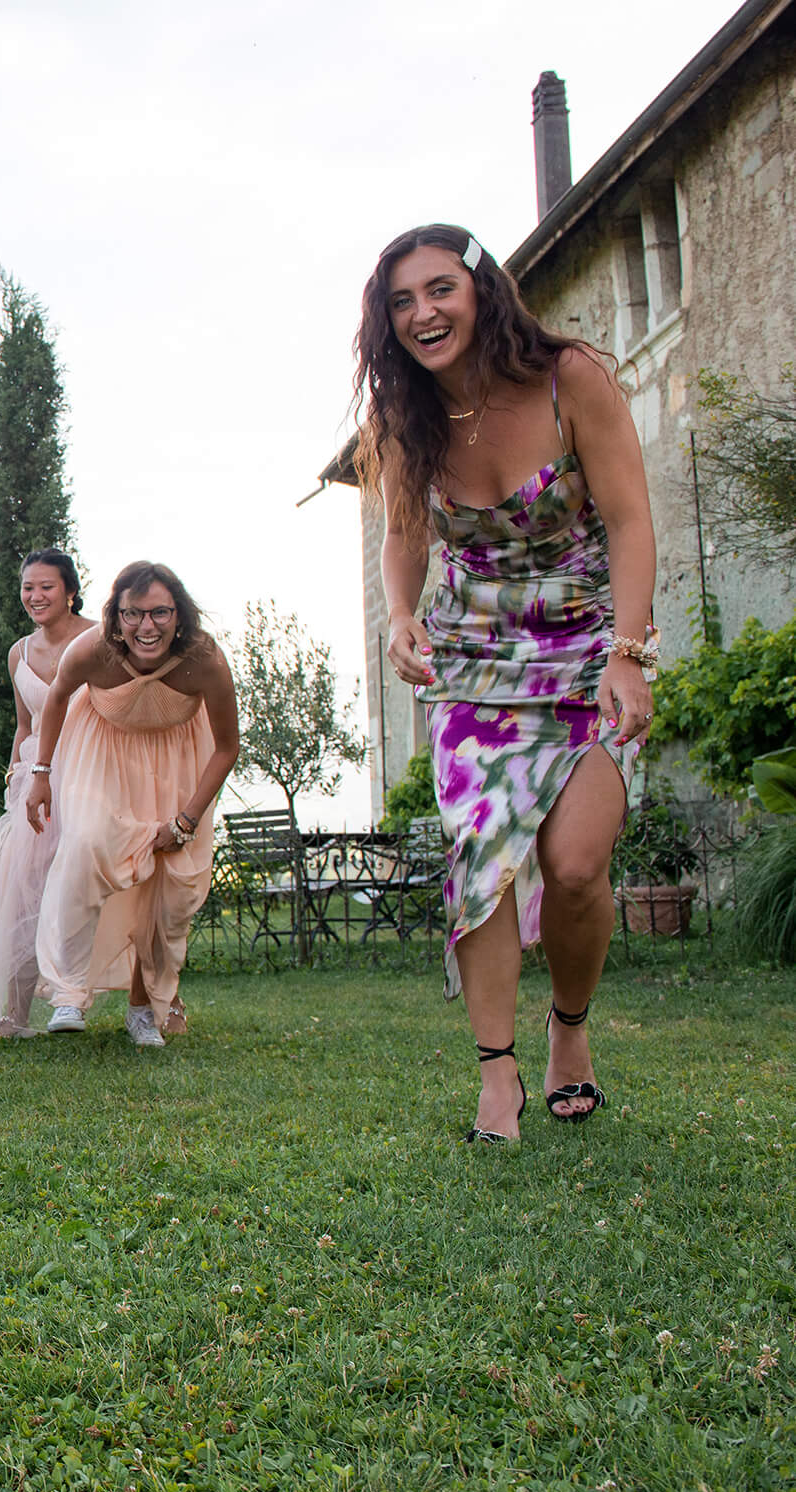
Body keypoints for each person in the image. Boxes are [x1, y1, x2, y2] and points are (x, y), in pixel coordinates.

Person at [356, 223, 655, 1142]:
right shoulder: (404, 419)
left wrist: (630, 654)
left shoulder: (573, 381)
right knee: (483, 865)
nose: (423, 313)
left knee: (573, 866)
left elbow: (634, 518)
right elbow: (403, 539)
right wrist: (402, 617)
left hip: (587, 645)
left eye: (439, 288)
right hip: (474, 665)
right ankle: (497, 1074)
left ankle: (569, 1030)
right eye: (401, 301)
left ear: (483, 290)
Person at [28, 561, 240, 1048]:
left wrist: (187, 820)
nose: (147, 626)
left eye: (160, 612)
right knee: (86, 845)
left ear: (179, 614)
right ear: (116, 615)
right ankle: (69, 991)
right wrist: (42, 776)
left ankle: (143, 1010)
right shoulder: (93, 651)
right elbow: (58, 694)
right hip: (100, 751)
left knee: (166, 887)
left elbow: (227, 745)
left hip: (179, 760)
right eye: (134, 614)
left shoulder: (204, 660)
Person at [0, 549, 96, 1037]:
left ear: (69, 590)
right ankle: (14, 1014)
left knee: (81, 887)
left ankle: (77, 997)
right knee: (21, 893)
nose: (35, 596)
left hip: (86, 776)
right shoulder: (18, 652)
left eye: (46, 586)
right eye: (28, 587)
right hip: (33, 781)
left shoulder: (97, 639)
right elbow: (26, 724)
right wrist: (14, 776)